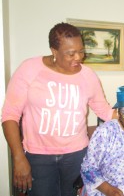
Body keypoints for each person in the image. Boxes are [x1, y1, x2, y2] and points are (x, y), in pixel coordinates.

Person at [1, 22, 116, 196]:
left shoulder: (87, 75)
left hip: (77, 155)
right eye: (71, 53)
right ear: (54, 51)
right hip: (38, 157)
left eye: (81, 51)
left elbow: (104, 111)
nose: (78, 57)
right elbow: (10, 115)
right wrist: (18, 157)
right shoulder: (29, 69)